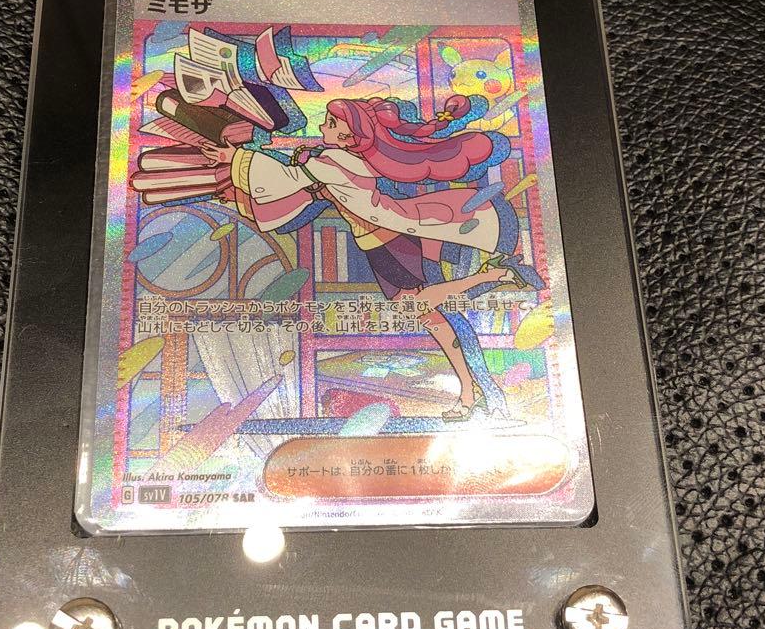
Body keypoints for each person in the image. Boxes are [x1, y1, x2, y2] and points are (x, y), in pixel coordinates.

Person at [199, 94, 542, 422]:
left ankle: (497, 278)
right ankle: (469, 390)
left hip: (392, 240)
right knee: (430, 318)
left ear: (349, 137)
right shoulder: (339, 160)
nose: (323, 127)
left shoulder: (334, 161)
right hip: (378, 243)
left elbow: (285, 180)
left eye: (331, 123)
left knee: (421, 308)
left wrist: (237, 158)